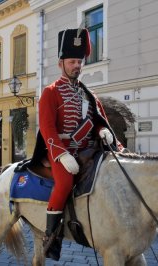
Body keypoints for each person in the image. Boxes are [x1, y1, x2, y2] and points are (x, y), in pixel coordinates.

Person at [32, 28, 122, 261]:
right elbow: (48, 129)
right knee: (64, 182)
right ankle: (51, 238)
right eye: (72, 61)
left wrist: (105, 132)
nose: (77, 66)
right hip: (60, 151)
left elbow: (97, 121)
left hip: (88, 150)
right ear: (60, 63)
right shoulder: (50, 92)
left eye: (80, 61)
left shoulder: (89, 95)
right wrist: (61, 155)